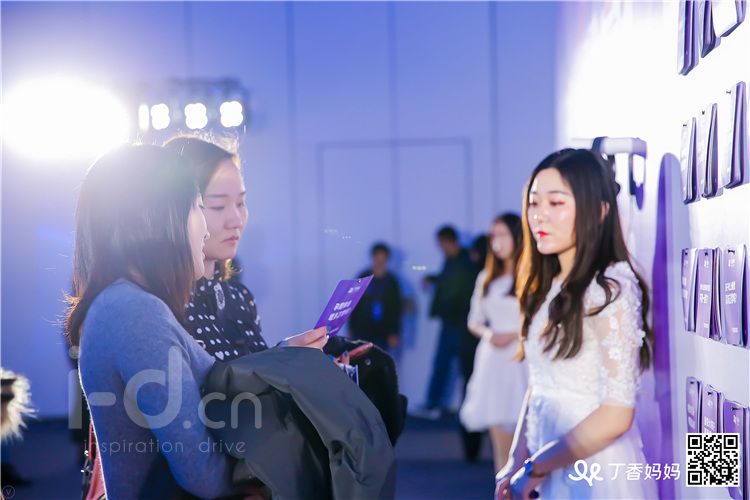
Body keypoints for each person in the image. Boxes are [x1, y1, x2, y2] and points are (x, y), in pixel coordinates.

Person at [67, 145, 326, 497]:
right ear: (159, 220)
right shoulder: (134, 312)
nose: (204, 229)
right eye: (197, 207)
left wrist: (281, 360)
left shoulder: (128, 304)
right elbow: (202, 473)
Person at [495, 149, 657, 499]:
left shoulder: (609, 289)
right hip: (544, 462)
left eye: (556, 203)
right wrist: (516, 459)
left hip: (593, 471)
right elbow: (539, 384)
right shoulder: (548, 285)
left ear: (598, 211)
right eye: (534, 203)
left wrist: (534, 467)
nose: (539, 215)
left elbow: (617, 415)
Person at [163, 135, 327, 360]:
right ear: (177, 211)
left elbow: (251, 375)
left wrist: (286, 356)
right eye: (218, 206)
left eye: (241, 203)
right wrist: (281, 361)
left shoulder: (239, 297)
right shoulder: (162, 304)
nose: (237, 220)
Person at [460, 213, 528, 474]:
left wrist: (512, 335)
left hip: (521, 357)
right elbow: (474, 320)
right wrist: (490, 335)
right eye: (493, 236)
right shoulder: (486, 277)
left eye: (502, 235)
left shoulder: (530, 274)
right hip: (493, 359)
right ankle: (502, 487)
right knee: (499, 440)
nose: (496, 242)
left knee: (527, 437)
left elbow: (541, 318)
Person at [421, 224, 482, 461]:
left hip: (461, 324)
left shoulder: (467, 261)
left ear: (449, 241)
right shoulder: (452, 261)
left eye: (442, 244)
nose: (441, 248)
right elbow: (449, 284)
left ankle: (455, 408)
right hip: (450, 322)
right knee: (442, 364)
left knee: (462, 369)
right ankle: (434, 404)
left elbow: (460, 290)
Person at [349, 242, 403, 351]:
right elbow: (353, 304)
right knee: (360, 358)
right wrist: (351, 328)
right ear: (373, 257)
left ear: (387, 259)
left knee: (380, 358)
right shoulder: (363, 277)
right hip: (362, 329)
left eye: (383, 258)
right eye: (377, 258)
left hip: (383, 331)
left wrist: (395, 332)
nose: (380, 261)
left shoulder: (392, 281)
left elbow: (396, 308)